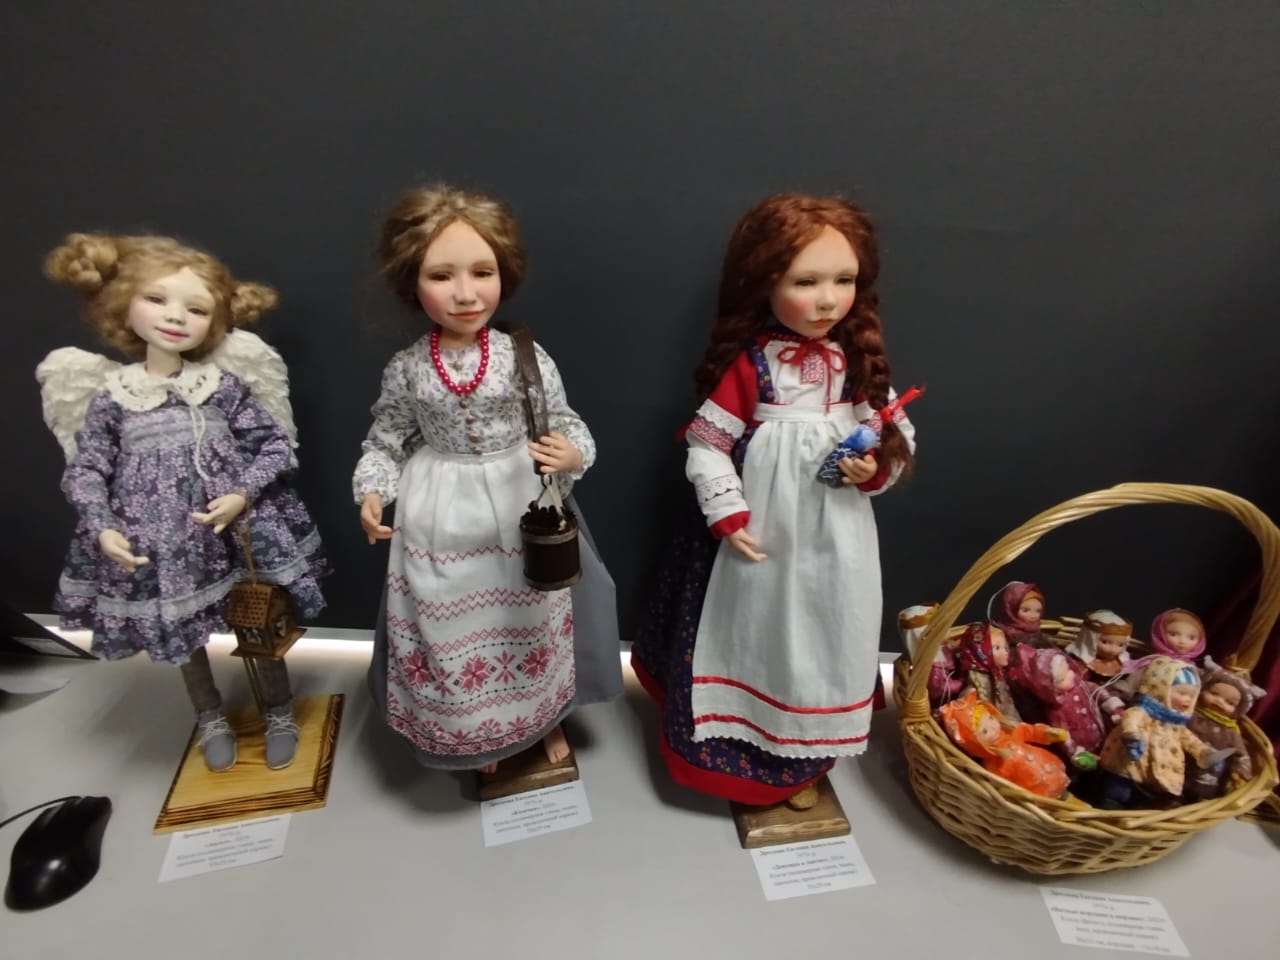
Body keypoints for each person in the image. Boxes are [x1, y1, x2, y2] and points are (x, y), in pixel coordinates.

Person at [632, 192, 917, 809]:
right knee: (755, 631)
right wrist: (726, 511)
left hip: (835, 537)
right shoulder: (755, 363)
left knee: (823, 630)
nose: (827, 300)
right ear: (764, 281)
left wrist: (874, 469)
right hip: (762, 532)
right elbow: (707, 442)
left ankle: (803, 751)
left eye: (843, 281)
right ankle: (744, 757)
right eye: (805, 282)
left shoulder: (858, 364)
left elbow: (899, 436)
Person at [355, 184, 620, 774]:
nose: (466, 293)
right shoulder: (408, 368)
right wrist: (372, 490)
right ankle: (475, 734)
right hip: (440, 514)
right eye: (441, 275)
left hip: (519, 505)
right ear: (411, 281)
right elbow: (386, 440)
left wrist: (571, 453)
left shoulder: (523, 354)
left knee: (532, 622)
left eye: (482, 272)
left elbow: (567, 421)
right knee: (454, 630)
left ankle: (543, 718)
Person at [37, 233, 326, 771]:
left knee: (257, 617)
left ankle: (279, 710)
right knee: (183, 633)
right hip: (161, 542)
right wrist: (102, 524)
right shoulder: (112, 397)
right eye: (157, 299)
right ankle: (209, 714)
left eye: (196, 308)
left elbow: (272, 444)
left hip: (232, 533)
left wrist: (241, 492)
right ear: (123, 303)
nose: (175, 317)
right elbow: (89, 467)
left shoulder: (220, 385)